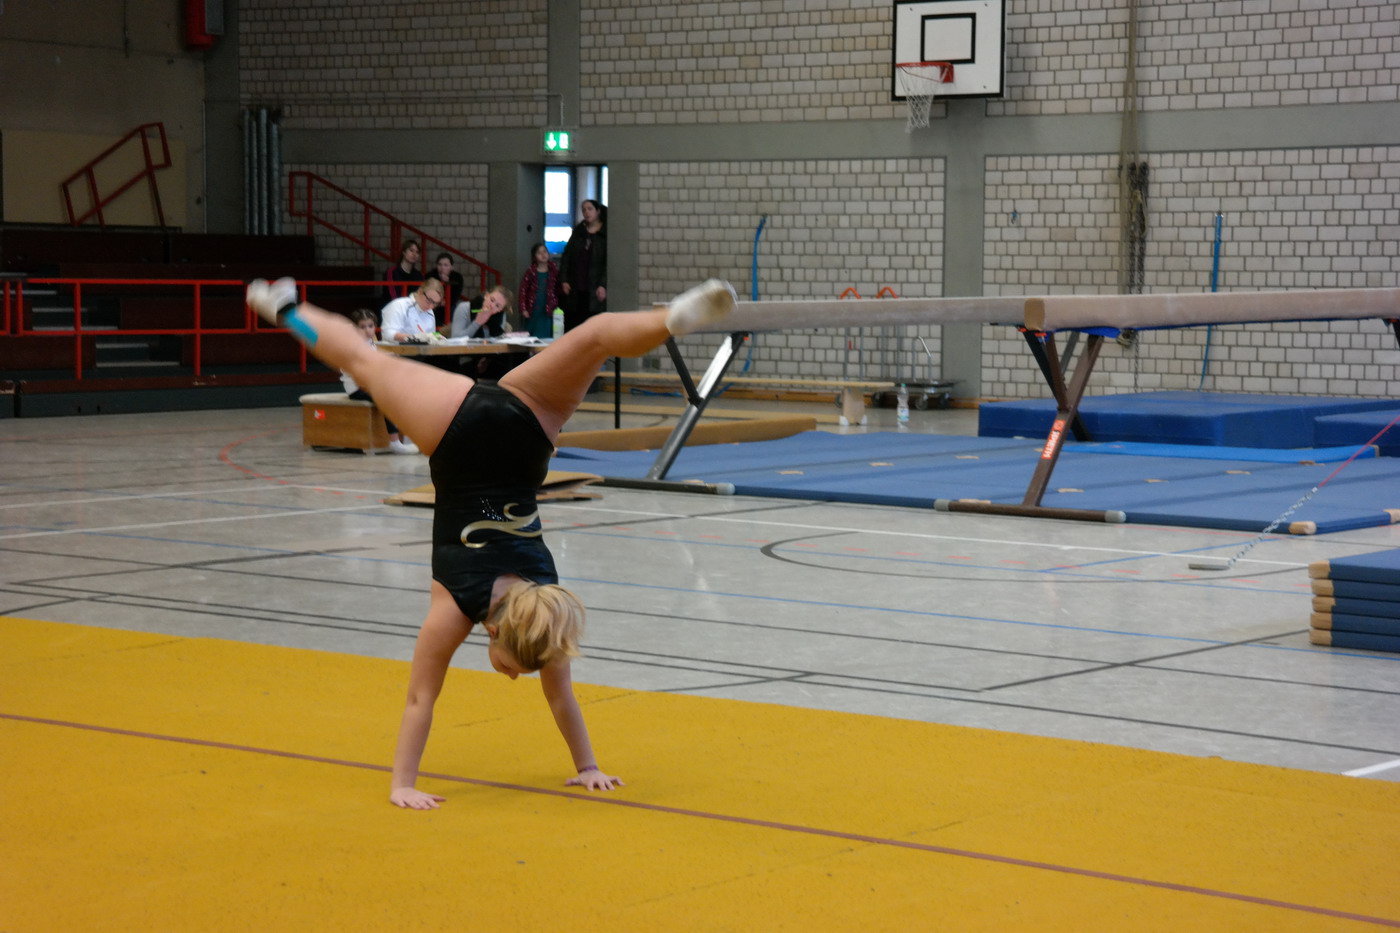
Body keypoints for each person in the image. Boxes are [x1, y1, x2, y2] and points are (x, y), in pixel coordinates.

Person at [244, 275, 739, 808]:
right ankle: (285, 311)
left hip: (526, 431)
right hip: (452, 431)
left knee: (596, 335)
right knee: (362, 361)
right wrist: (401, 785)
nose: (511, 676)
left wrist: (588, 767)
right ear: (498, 630)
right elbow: (420, 699)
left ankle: (668, 320)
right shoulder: (456, 605)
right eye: (512, 666)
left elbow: (559, 697)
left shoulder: (545, 606)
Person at [343, 309, 418, 455]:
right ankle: (395, 442)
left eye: (370, 326)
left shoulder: (371, 343)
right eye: (362, 327)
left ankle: (409, 438)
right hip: (357, 389)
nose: (368, 330)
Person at [559, 200, 606, 332]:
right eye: (584, 209)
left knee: (593, 324)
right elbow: (566, 256)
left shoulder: (604, 234)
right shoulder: (578, 232)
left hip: (594, 285)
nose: (586, 212)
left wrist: (603, 284)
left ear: (597, 211)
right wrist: (564, 280)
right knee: (574, 322)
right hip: (576, 284)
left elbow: (606, 263)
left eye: (590, 209)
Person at [517, 243, 561, 340]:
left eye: (544, 251)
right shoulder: (530, 272)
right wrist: (523, 308)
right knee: (533, 334)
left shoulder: (554, 271)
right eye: (539, 253)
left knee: (547, 334)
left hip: (548, 308)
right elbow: (523, 290)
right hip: (533, 309)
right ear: (534, 257)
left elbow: (558, 289)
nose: (543, 255)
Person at [431, 252, 465, 319]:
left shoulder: (457, 277)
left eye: (446, 265)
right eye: (440, 264)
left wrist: (448, 282)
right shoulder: (431, 275)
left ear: (451, 267)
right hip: (434, 304)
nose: (442, 268)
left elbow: (456, 295)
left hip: (450, 305)